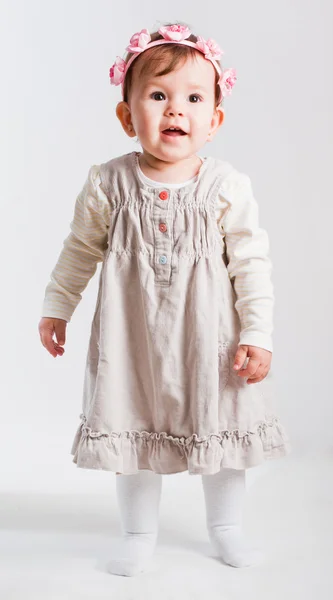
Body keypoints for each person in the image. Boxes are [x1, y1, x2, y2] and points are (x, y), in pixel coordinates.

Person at [39, 22, 291, 577]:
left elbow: (252, 266)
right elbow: (80, 249)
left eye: (194, 99)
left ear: (215, 120)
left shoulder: (225, 187)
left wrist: (257, 334)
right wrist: (58, 305)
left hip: (210, 341)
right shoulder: (110, 184)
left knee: (219, 422)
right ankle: (138, 533)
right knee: (131, 414)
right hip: (133, 339)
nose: (176, 110)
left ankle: (225, 527)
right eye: (158, 96)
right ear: (128, 117)